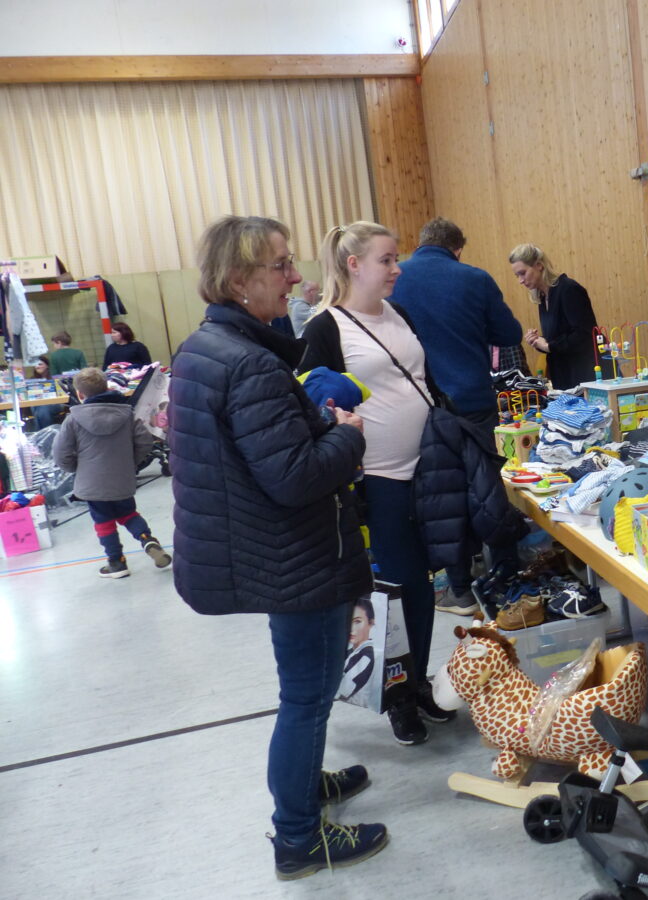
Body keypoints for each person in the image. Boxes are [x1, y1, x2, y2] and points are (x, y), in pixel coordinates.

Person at [168, 214, 387, 879]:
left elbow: (262, 454)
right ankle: (298, 837)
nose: (296, 278)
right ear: (239, 281)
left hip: (269, 553)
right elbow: (295, 478)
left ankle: (302, 787)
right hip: (293, 558)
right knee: (307, 698)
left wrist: (313, 422)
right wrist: (347, 433)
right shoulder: (249, 364)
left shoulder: (210, 349)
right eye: (282, 266)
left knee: (304, 694)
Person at [300, 220, 455, 748]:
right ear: (354, 264)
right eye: (387, 260)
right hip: (378, 479)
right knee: (394, 587)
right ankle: (398, 697)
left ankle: (418, 681)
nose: (397, 268)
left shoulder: (399, 313)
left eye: (395, 258)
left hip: (427, 469)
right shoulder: (326, 327)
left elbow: (423, 380)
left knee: (425, 584)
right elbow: (310, 402)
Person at [390, 217, 524, 614]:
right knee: (487, 487)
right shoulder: (475, 278)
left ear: (421, 242)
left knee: (441, 496)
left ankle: (459, 587)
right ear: (457, 248)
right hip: (472, 400)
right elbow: (510, 334)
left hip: (421, 406)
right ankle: (507, 576)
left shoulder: (396, 277)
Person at [51, 366, 172, 578]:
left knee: (103, 521)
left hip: (91, 483)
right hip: (122, 479)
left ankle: (117, 562)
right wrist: (130, 463)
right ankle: (147, 540)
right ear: (107, 386)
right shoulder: (127, 414)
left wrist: (76, 470)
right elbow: (144, 442)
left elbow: (61, 453)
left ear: (80, 394)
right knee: (128, 513)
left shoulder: (73, 419)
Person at [509, 243, 600, 390]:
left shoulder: (569, 289)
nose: (520, 280)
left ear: (539, 265)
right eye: (517, 275)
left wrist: (549, 345)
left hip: (585, 375)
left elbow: (584, 335)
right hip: (564, 376)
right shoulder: (543, 296)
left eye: (523, 273)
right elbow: (559, 339)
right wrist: (540, 342)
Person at [337, 597, 378, 705]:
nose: (351, 628)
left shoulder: (366, 656)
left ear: (371, 623)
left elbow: (341, 691)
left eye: (357, 621)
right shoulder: (351, 650)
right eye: (347, 620)